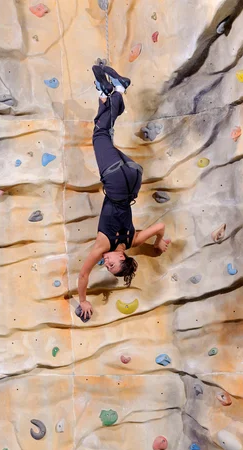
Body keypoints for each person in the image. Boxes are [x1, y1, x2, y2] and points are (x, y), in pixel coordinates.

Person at [77, 63, 170, 320]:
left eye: (107, 268)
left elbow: (160, 226)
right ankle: (116, 90)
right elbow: (83, 274)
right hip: (117, 182)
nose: (106, 264)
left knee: (105, 132)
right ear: (122, 256)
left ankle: (107, 94)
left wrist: (159, 241)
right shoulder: (101, 245)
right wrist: (83, 300)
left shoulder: (133, 240)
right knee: (100, 135)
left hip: (133, 178)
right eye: (113, 265)